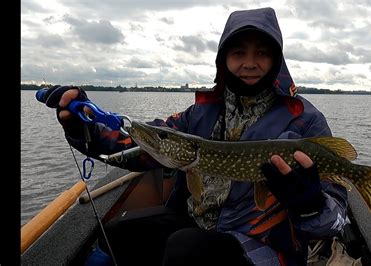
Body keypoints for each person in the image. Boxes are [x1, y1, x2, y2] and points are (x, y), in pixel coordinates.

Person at [40, 7, 348, 266]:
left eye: (262, 53)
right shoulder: (199, 114)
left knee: (185, 249)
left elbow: (334, 222)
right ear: (223, 59)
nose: (250, 63)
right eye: (238, 52)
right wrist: (86, 125)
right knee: (117, 235)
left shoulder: (306, 121)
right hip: (199, 223)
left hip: (266, 245)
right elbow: (140, 145)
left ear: (277, 60)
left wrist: (310, 204)